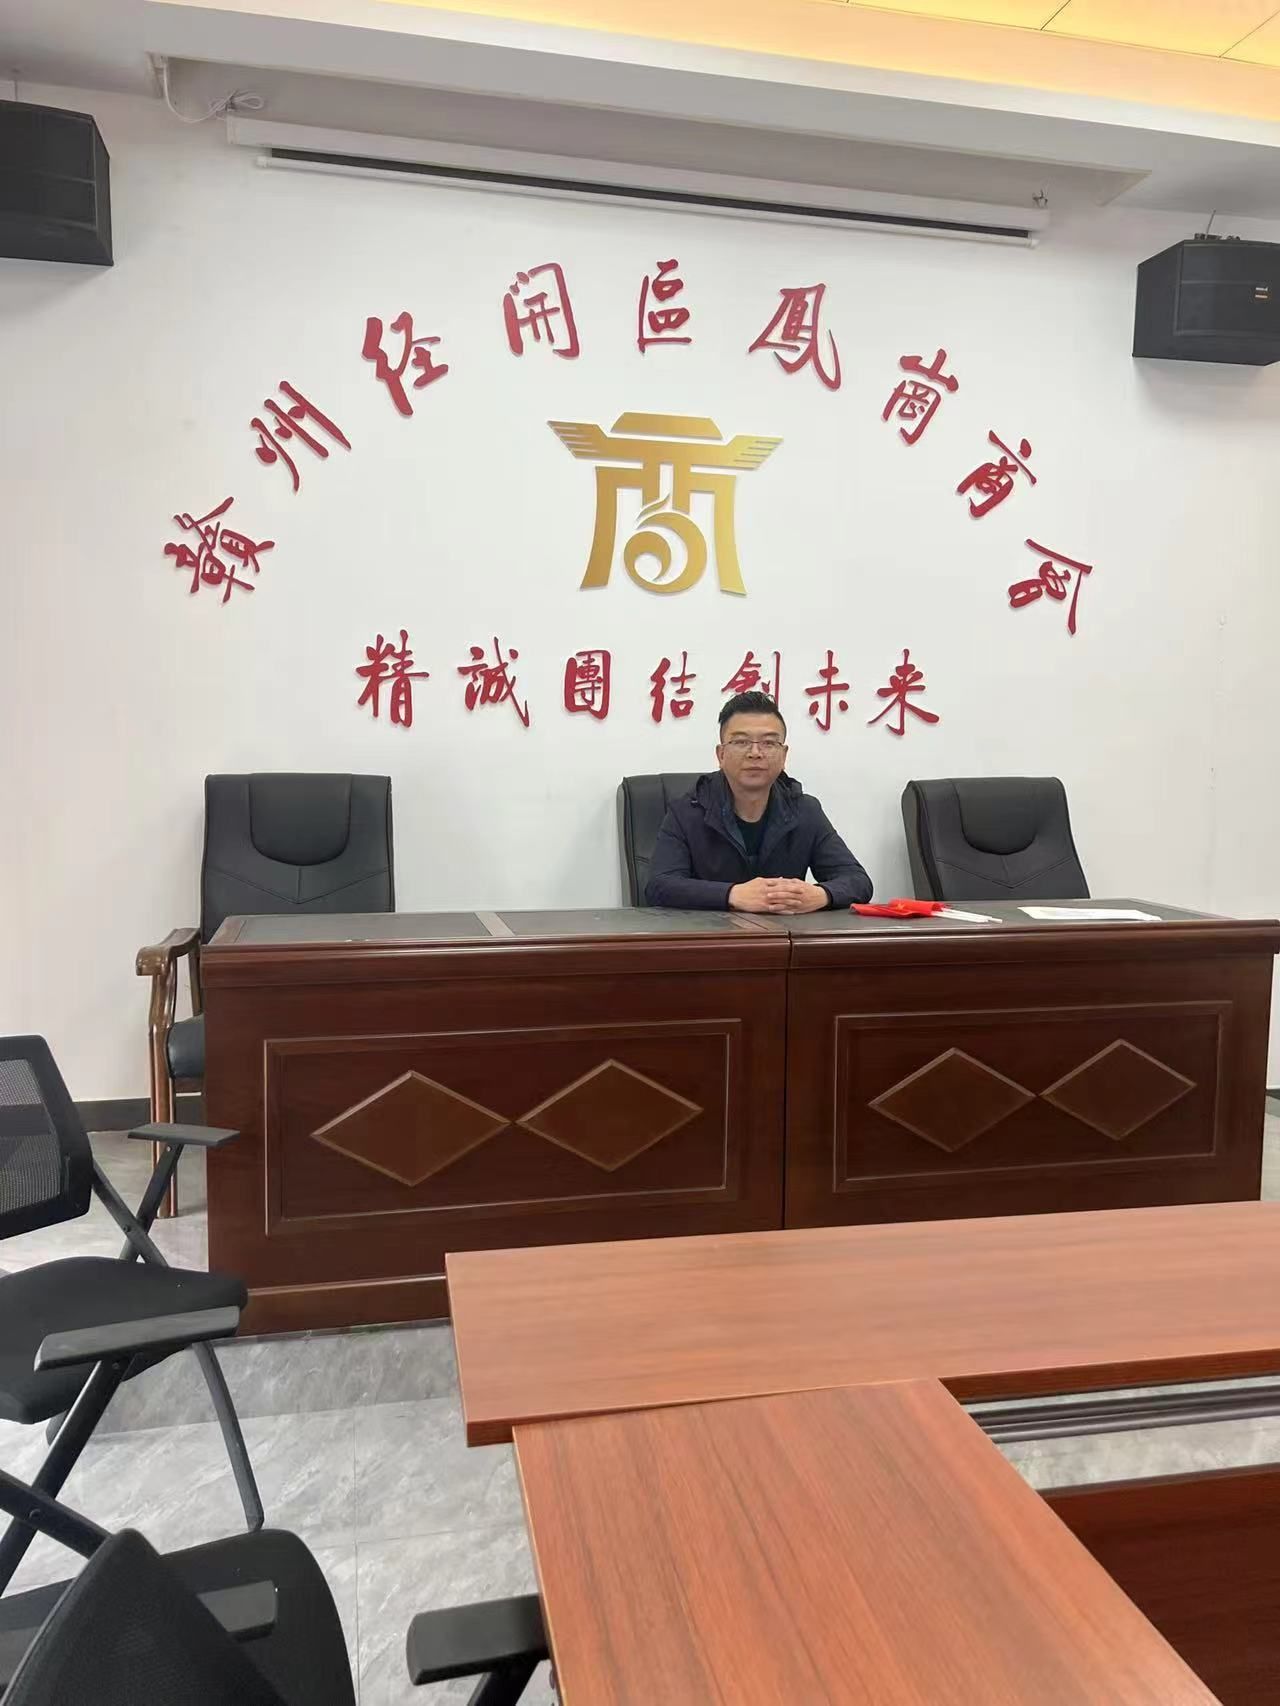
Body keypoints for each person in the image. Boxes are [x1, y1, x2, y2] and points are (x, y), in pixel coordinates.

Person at [644, 690, 873, 913]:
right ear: (721, 755)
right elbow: (659, 886)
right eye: (741, 742)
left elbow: (858, 880)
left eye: (768, 743)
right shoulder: (687, 811)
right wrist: (732, 895)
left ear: (784, 755)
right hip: (709, 935)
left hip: (783, 934)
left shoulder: (804, 809)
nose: (755, 753)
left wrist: (821, 895)